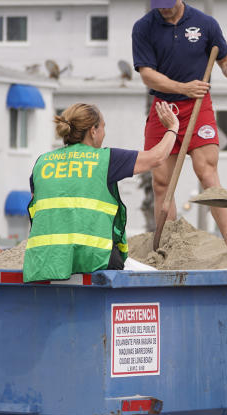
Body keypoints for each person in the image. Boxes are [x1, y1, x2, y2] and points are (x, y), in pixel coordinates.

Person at [131, 0, 227, 254]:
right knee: (162, 181)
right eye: (158, 2)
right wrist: (182, 87)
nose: (164, 8)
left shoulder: (205, 24)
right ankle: (166, 248)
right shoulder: (143, 27)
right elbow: (148, 75)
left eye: (169, 1)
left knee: (207, 172)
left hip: (199, 107)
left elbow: (225, 59)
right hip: (164, 108)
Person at [23, 102, 179, 282]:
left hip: (44, 260)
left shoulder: (42, 163)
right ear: (93, 131)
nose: (104, 133)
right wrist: (173, 127)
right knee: (153, 278)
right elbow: (157, 157)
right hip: (94, 258)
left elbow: (38, 212)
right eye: (103, 127)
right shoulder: (105, 159)